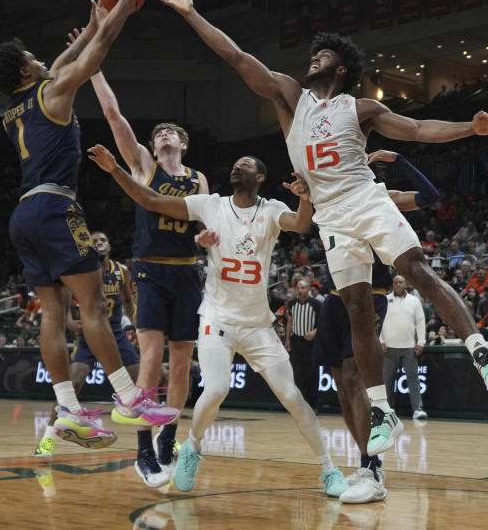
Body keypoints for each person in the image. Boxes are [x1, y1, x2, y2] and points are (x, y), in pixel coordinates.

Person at [153, 0, 488, 457]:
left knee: (417, 269)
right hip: (330, 216)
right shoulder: (290, 97)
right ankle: (383, 411)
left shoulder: (361, 108)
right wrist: (191, 14)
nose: (313, 58)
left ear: (340, 68)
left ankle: (481, 354)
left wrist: (472, 126)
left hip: (366, 198)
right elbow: (238, 57)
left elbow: (419, 129)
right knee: (358, 310)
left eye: (322, 55)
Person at [0, 0, 177, 453]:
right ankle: (128, 398)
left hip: (22, 216)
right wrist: (119, 10)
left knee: (54, 312)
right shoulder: (53, 92)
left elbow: (61, 64)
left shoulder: (14, 112)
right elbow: (88, 62)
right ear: (28, 70)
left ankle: (68, 409)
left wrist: (89, 26)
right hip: (54, 208)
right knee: (92, 305)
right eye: (35, 58)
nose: (44, 60)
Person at [88, 146, 350, 500]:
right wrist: (116, 170)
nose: (236, 166)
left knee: (292, 397)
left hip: (258, 325)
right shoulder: (210, 204)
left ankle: (329, 469)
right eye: (235, 163)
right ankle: (192, 448)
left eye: (246, 164)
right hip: (217, 319)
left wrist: (305, 198)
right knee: (216, 390)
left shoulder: (271, 210)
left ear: (259, 177)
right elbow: (152, 201)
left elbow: (302, 224)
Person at [89, 70, 208, 483]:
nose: (163, 135)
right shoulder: (141, 164)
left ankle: (167, 437)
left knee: (181, 367)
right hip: (150, 271)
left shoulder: (198, 179)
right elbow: (113, 114)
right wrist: (95, 71)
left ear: (183, 143)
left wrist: (208, 236)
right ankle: (142, 449)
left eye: (170, 132)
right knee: (151, 359)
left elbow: (203, 226)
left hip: (188, 272)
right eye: (158, 133)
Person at [313, 147, 440, 504]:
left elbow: (430, 196)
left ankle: (373, 469)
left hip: (371, 294)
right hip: (333, 298)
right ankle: (367, 463)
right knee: (342, 388)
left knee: (357, 379)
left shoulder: (384, 198)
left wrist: (400, 161)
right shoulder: (333, 197)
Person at [34, 231, 141, 460]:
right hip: (88, 336)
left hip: (115, 334)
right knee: (72, 381)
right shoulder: (80, 272)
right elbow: (64, 303)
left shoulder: (122, 271)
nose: (99, 243)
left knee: (141, 382)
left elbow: (129, 300)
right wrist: (71, 323)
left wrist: (135, 324)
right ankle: (48, 439)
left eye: (103, 240)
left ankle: (165, 438)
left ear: (109, 246)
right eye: (94, 241)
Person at [380, 275, 427, 421]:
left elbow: (420, 322)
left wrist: (421, 341)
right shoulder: (385, 300)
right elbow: (378, 322)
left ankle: (417, 409)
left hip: (409, 347)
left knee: (413, 379)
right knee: (387, 380)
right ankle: (387, 410)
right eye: (395, 282)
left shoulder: (414, 301)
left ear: (406, 284)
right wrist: (380, 340)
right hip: (388, 347)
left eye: (401, 282)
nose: (398, 284)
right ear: (392, 284)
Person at [285, 280, 322, 410]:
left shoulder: (316, 304)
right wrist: (287, 340)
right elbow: (290, 321)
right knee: (297, 375)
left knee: (311, 375)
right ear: (296, 289)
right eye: (299, 287)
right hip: (296, 341)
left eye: (304, 287)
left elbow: (322, 323)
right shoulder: (292, 304)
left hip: (311, 343)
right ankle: (300, 406)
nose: (301, 290)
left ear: (309, 290)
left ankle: (313, 406)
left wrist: (314, 332)